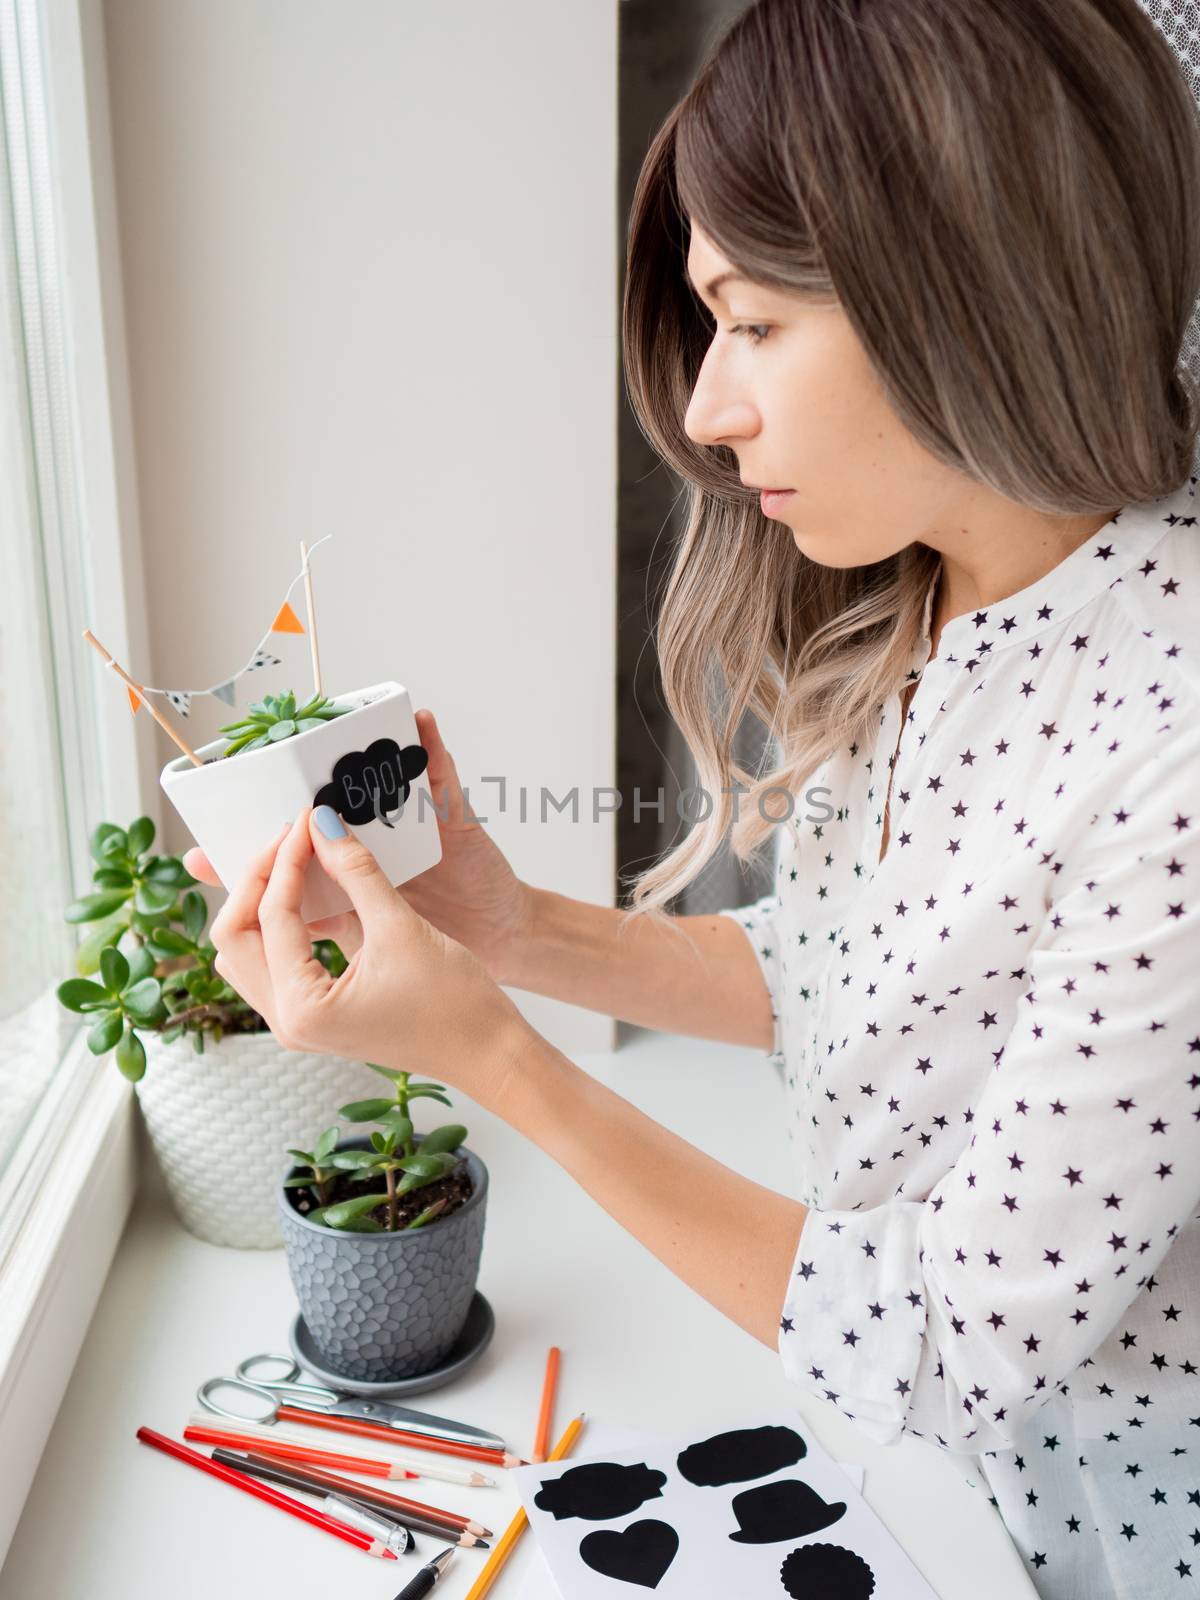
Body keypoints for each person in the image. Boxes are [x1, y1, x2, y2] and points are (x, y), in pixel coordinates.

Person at [188, 2, 1200, 1594]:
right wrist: (509, 927)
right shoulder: (939, 607)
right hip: (948, 1490)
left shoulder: (1174, 741)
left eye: (755, 322)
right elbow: (850, 975)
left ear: (964, 282)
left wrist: (492, 1058)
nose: (713, 418)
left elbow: (948, 1338)